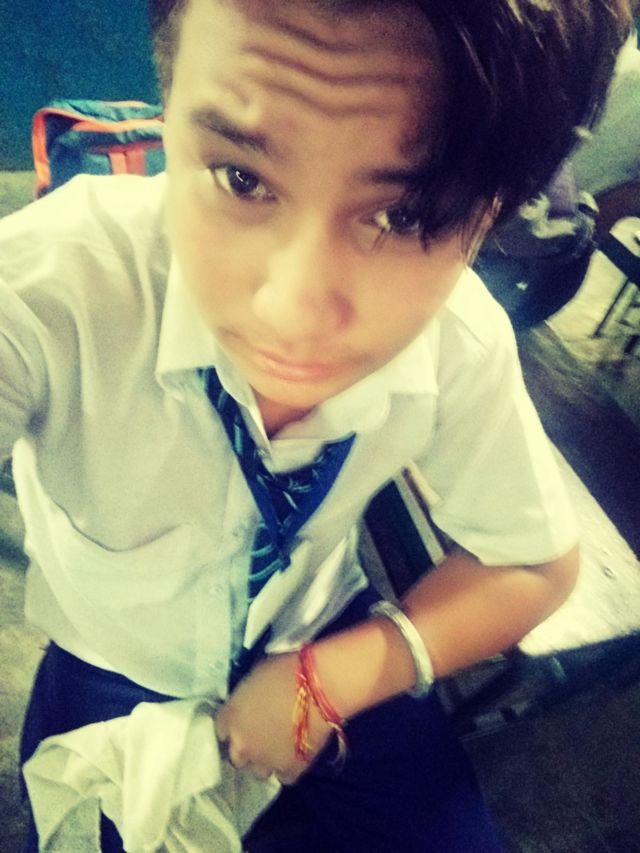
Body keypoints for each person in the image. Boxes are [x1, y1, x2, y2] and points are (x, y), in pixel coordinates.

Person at [1, 0, 630, 850]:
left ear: (492, 211)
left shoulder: (459, 340)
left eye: (404, 214)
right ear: (167, 110)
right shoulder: (49, 287)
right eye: (240, 177)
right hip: (111, 661)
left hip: (319, 628)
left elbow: (536, 559)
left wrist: (333, 676)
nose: (292, 311)